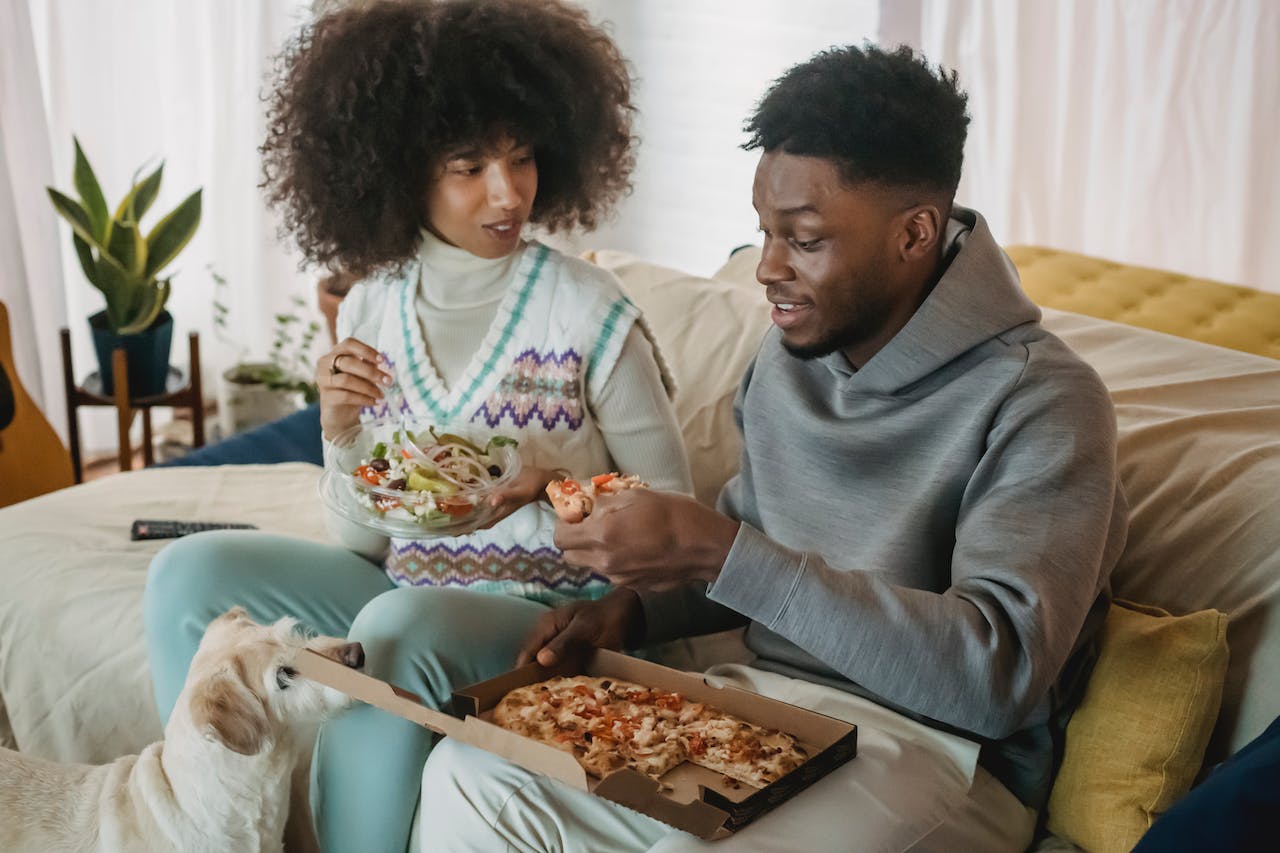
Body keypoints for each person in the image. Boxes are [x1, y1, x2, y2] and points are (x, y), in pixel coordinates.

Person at [416, 44, 1129, 851]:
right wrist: (634, 610)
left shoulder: (1041, 400)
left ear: (915, 234)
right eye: (764, 231)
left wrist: (719, 550)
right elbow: (757, 556)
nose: (767, 267)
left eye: (806, 238)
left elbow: (992, 680)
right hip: (758, 708)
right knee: (475, 776)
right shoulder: (790, 359)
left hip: (942, 752)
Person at [143, 2, 691, 852]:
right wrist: (339, 427)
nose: (508, 192)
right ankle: (198, 829)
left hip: (546, 611)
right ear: (401, 171)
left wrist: (557, 483)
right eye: (468, 166)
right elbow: (364, 542)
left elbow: (677, 528)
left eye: (520, 157)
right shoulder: (371, 304)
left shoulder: (589, 313)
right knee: (189, 574)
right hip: (405, 583)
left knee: (392, 631)